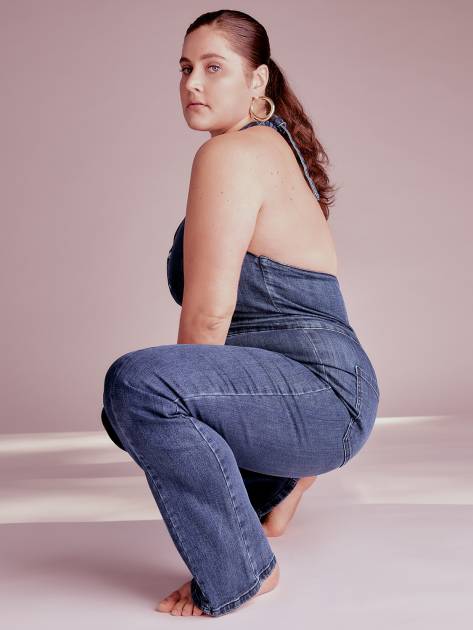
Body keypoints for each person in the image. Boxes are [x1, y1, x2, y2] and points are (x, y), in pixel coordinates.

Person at [101, 9, 380, 618]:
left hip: (321, 394)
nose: (192, 84)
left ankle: (244, 569)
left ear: (257, 81)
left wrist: (173, 395)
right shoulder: (268, 146)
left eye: (213, 68)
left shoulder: (231, 156)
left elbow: (207, 317)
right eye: (185, 68)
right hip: (325, 394)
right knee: (130, 407)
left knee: (138, 389)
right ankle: (281, 486)